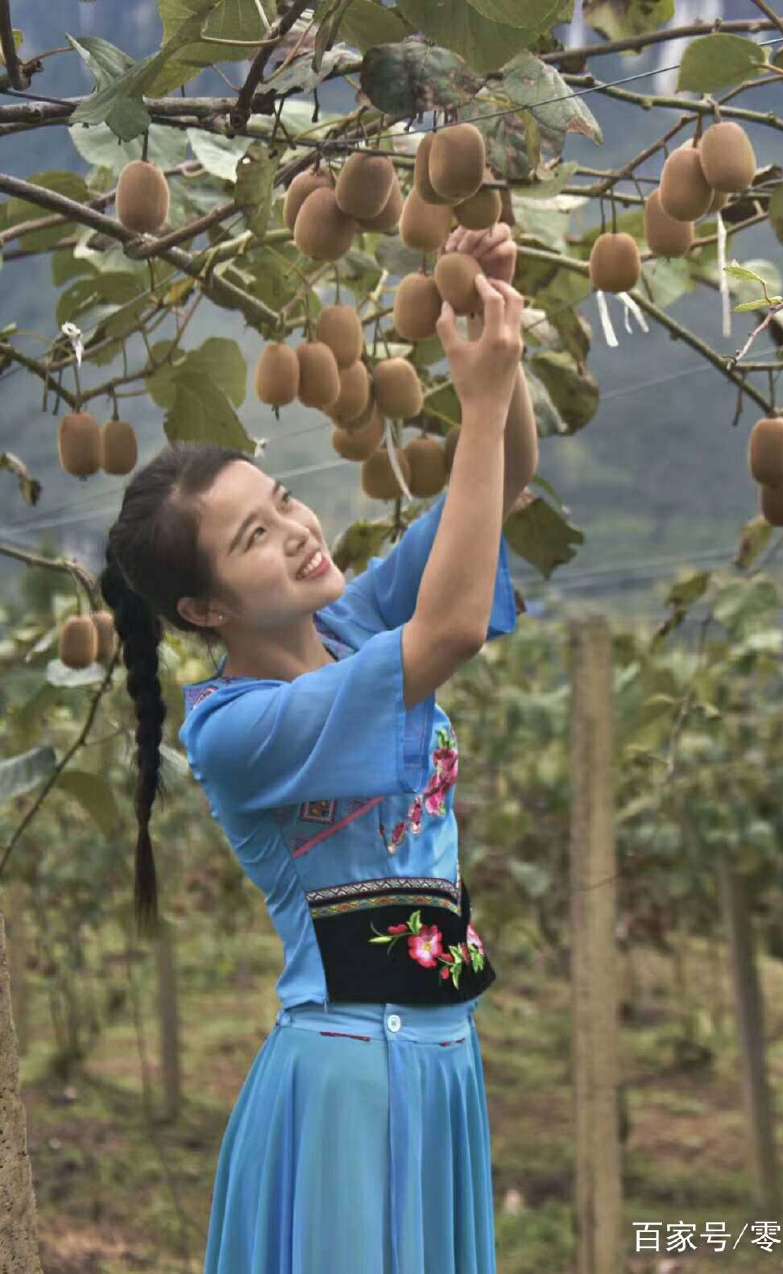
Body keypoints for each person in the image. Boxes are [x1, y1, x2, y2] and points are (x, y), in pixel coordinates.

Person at [98, 256, 527, 1273]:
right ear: (205, 610)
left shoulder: (350, 621)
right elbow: (455, 626)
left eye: (284, 499)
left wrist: (495, 347)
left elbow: (503, 482)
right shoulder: (237, 729)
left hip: (442, 1057)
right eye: (255, 536)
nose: (297, 529)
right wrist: (480, 398)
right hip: (353, 1073)